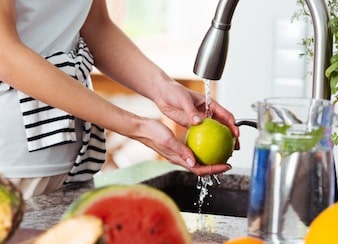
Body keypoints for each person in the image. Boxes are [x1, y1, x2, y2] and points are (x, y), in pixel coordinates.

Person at [0, 0, 239, 199]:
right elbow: (4, 54)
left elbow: (96, 26)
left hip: (76, 162)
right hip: (10, 163)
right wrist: (136, 127)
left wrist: (164, 89)